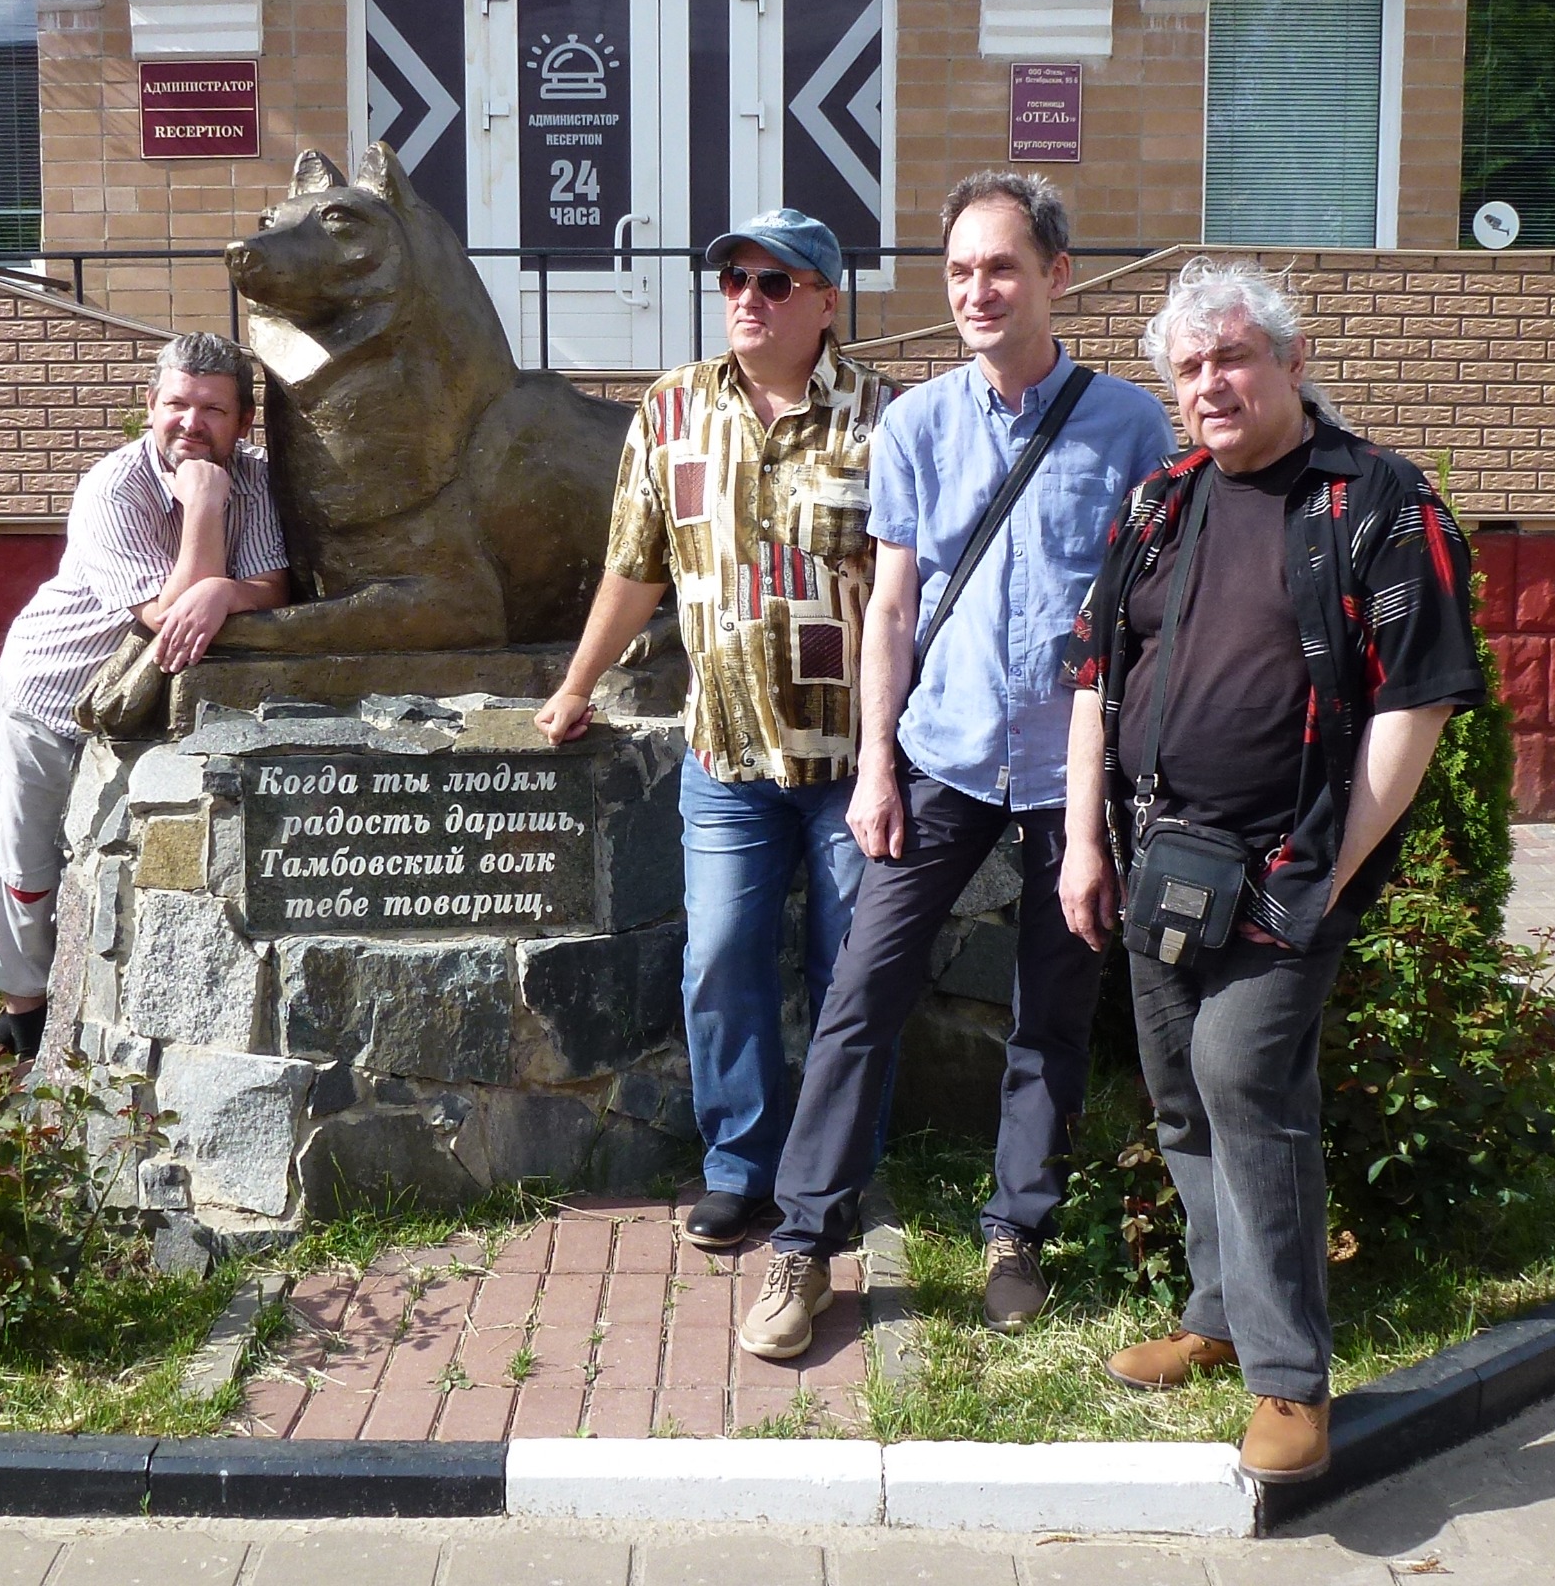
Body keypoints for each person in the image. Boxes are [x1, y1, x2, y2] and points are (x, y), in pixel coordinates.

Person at [1056, 258, 1483, 1483]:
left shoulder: (1377, 501)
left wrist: (1334, 868)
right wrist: (1085, 841)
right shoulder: (1159, 502)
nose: (1211, 383)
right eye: (1189, 367)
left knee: (1245, 1077)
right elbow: (1095, 678)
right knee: (1181, 1091)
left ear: (1293, 361)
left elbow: (1416, 700)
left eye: (1234, 356)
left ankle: (1291, 1379)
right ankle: (1218, 1311)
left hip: (1290, 861)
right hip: (1158, 856)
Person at [737, 173, 1175, 1360]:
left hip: (1072, 775)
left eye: (1002, 267)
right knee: (860, 993)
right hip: (943, 756)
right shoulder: (917, 424)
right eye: (962, 270)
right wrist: (876, 767)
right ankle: (805, 1240)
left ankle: (1016, 1229)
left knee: (1054, 1008)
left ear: (1056, 277)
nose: (978, 290)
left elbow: (1145, 618)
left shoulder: (1133, 427)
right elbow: (890, 609)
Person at [537, 208, 893, 1249]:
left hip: (852, 759)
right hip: (726, 755)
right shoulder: (672, 408)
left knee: (853, 977)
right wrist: (577, 684)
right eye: (734, 277)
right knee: (721, 960)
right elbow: (635, 565)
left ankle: (834, 1176)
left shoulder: (886, 416)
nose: (748, 297)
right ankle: (739, 1167)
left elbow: (912, 586)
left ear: (826, 301)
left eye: (775, 282)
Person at [0, 333, 291, 1065]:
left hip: (146, 697)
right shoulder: (114, 488)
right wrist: (204, 505)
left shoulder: (259, 478)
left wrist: (225, 591)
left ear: (244, 421)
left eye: (213, 409)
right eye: (176, 404)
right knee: (26, 858)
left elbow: (271, 587)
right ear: (149, 405)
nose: (190, 423)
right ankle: (23, 1017)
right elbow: (168, 617)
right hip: (54, 690)